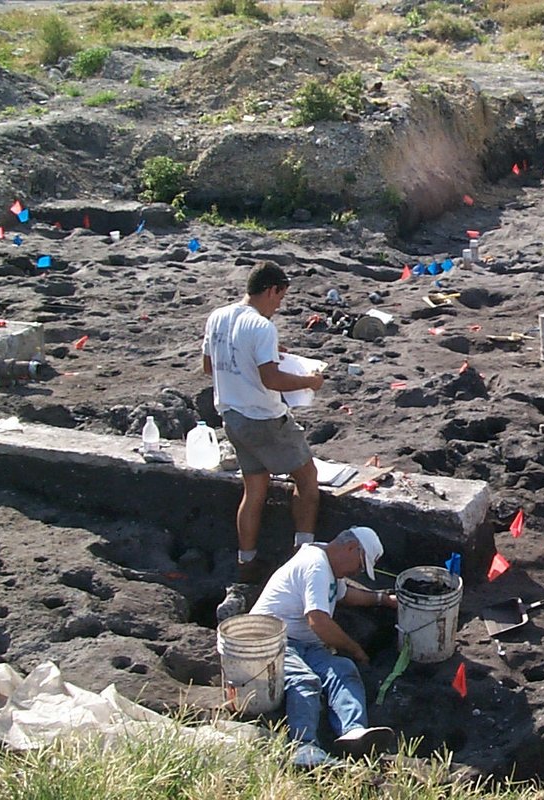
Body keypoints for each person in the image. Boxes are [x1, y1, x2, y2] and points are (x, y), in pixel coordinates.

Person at [202, 262, 325, 584]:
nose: (279, 305)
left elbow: (208, 366)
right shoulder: (261, 326)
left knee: (254, 488)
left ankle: (247, 561)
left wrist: (262, 355)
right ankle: (303, 555)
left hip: (231, 415)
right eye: (280, 298)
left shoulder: (218, 316)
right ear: (272, 289)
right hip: (263, 418)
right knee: (307, 479)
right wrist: (308, 382)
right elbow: (271, 379)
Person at [250, 526, 397, 767]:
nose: (357, 572)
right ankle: (303, 747)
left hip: (305, 645)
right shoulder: (316, 564)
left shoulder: (327, 565)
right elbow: (318, 620)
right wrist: (355, 648)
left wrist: (382, 599)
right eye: (360, 566)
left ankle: (354, 732)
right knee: (305, 681)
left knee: (343, 670)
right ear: (351, 548)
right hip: (271, 640)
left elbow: (345, 594)